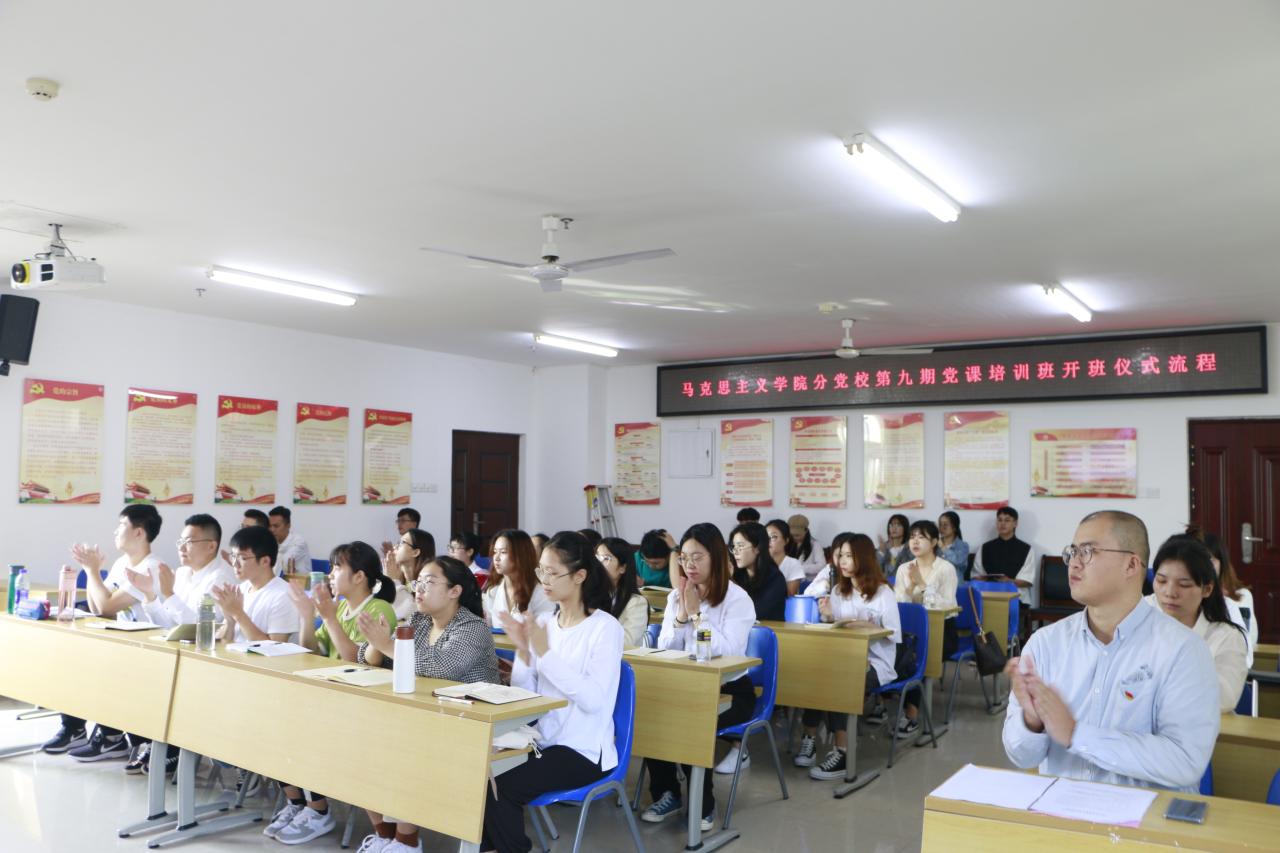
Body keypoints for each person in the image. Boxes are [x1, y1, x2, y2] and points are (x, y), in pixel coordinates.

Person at [1003, 511, 1220, 791]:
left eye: (1088, 551)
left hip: (1149, 816)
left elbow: (1184, 761)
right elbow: (1021, 757)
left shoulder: (1183, 650)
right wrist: (1032, 722)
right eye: (1072, 552)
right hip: (1062, 811)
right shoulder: (1045, 643)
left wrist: (1077, 734)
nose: (1073, 563)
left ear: (1131, 565)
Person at [483, 533, 623, 853]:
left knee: (502, 787)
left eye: (552, 572)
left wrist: (544, 653)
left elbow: (593, 700)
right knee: (479, 772)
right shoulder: (545, 621)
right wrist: (524, 653)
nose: (543, 580)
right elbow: (527, 697)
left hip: (584, 749)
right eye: (540, 571)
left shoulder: (604, 628)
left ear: (580, 575)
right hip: (543, 740)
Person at [351, 554, 498, 852]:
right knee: (363, 742)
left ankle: (407, 841)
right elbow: (369, 658)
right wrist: (377, 645)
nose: (419, 589)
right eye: (418, 582)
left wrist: (386, 645)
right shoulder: (418, 621)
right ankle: (384, 834)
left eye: (429, 582)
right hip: (429, 716)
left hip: (473, 723)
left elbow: (442, 668)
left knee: (406, 746)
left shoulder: (472, 627)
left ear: (455, 591)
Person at [267, 542, 399, 845]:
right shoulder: (339, 608)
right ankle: (300, 803)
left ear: (359, 576)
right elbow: (312, 652)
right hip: (331, 697)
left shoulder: (379, 609)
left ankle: (318, 810)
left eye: (337, 567)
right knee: (277, 723)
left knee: (307, 731)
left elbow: (356, 661)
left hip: (363, 704)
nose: (330, 574)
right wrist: (306, 617)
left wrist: (328, 618)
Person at [641, 523, 756, 831]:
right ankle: (667, 794)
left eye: (697, 557)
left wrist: (697, 615)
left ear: (716, 557)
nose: (689, 565)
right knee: (650, 714)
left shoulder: (738, 599)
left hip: (730, 689)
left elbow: (727, 653)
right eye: (684, 558)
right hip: (684, 685)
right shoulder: (676, 596)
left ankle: (702, 804)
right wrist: (680, 617)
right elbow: (665, 650)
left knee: (690, 721)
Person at [43, 505, 166, 762]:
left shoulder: (151, 568)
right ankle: (76, 728)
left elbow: (106, 606)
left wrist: (92, 571)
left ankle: (110, 737)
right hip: (122, 641)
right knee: (67, 657)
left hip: (147, 649)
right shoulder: (122, 563)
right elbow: (97, 606)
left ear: (139, 532)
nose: (115, 531)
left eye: (121, 525)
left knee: (93, 665)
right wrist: (93, 571)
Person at [794, 532, 900, 778]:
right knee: (814, 678)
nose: (842, 560)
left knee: (840, 682)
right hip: (842, 659)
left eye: (849, 556)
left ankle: (842, 753)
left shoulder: (883, 592)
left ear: (863, 558)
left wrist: (855, 623)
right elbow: (837, 631)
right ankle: (809, 740)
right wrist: (829, 618)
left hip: (877, 663)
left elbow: (893, 633)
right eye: (840, 555)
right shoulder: (838, 591)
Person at [1145, 537, 1248, 712]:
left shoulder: (1226, 637)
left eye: (1184, 585)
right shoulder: (1140, 616)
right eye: (1161, 581)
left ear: (1207, 589)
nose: (1169, 593)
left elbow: (1224, 698)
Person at [893, 519, 958, 736]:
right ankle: (882, 705)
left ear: (934, 542)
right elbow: (899, 605)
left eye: (921, 537)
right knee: (891, 652)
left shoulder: (946, 569)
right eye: (912, 537)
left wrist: (922, 584)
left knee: (914, 657)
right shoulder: (904, 569)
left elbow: (947, 605)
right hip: (911, 631)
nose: (915, 541)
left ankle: (911, 716)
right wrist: (911, 585)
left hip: (942, 631)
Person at [212, 525, 297, 644]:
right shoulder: (240, 589)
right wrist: (229, 619)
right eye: (233, 556)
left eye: (242, 558)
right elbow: (224, 644)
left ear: (265, 561)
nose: (235, 564)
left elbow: (275, 648)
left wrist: (238, 614)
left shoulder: (283, 595)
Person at [1202, 531, 1257, 665]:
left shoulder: (1238, 598)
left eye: (1210, 560)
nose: (1203, 566)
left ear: (1222, 563)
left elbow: (1248, 649)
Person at [483, 528, 554, 627]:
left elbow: (546, 629)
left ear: (520, 555)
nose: (496, 558)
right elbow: (487, 627)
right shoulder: (493, 591)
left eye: (503, 552)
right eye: (495, 552)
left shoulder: (540, 592)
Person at [973, 506, 1037, 606]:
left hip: (1017, 597)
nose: (1002, 524)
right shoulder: (985, 547)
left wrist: (1009, 581)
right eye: (1000, 520)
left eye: (1007, 520)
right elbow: (976, 575)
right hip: (988, 595)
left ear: (1015, 523)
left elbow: (1027, 581)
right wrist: (984, 579)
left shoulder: (1026, 549)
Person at [597, 537, 648, 648]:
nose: (599, 563)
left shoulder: (636, 603)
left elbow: (626, 642)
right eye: (597, 557)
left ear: (622, 568)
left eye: (606, 558)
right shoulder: (588, 596)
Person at [383, 528, 435, 621]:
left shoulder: (428, 582)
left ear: (415, 552)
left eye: (402, 542)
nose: (395, 547)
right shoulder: (400, 577)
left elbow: (415, 614)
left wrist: (393, 582)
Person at [765, 519, 805, 596]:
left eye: (773, 537)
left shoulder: (793, 564)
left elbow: (790, 593)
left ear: (786, 540)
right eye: (766, 537)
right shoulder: (759, 562)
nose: (768, 541)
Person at [268, 505, 311, 575]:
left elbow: (285, 561)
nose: (272, 530)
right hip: (279, 580)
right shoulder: (271, 542)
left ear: (288, 525)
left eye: (276, 526)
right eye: (270, 526)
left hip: (300, 581)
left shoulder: (299, 542)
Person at [787, 514, 825, 579]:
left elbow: (822, 566)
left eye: (797, 535)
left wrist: (802, 568)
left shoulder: (815, 544)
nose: (794, 538)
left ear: (806, 531)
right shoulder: (786, 542)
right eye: (792, 535)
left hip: (808, 581)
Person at [876, 513, 912, 578]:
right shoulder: (883, 547)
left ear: (905, 527)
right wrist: (881, 552)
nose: (894, 528)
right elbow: (876, 568)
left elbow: (905, 568)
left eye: (898, 525)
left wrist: (892, 550)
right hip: (886, 582)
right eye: (891, 525)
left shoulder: (910, 547)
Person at [938, 511, 969, 584]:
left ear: (954, 527)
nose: (941, 528)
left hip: (955, 584)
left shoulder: (963, 546)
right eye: (940, 524)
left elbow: (958, 561)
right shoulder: (935, 544)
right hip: (938, 583)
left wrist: (943, 547)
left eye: (945, 525)